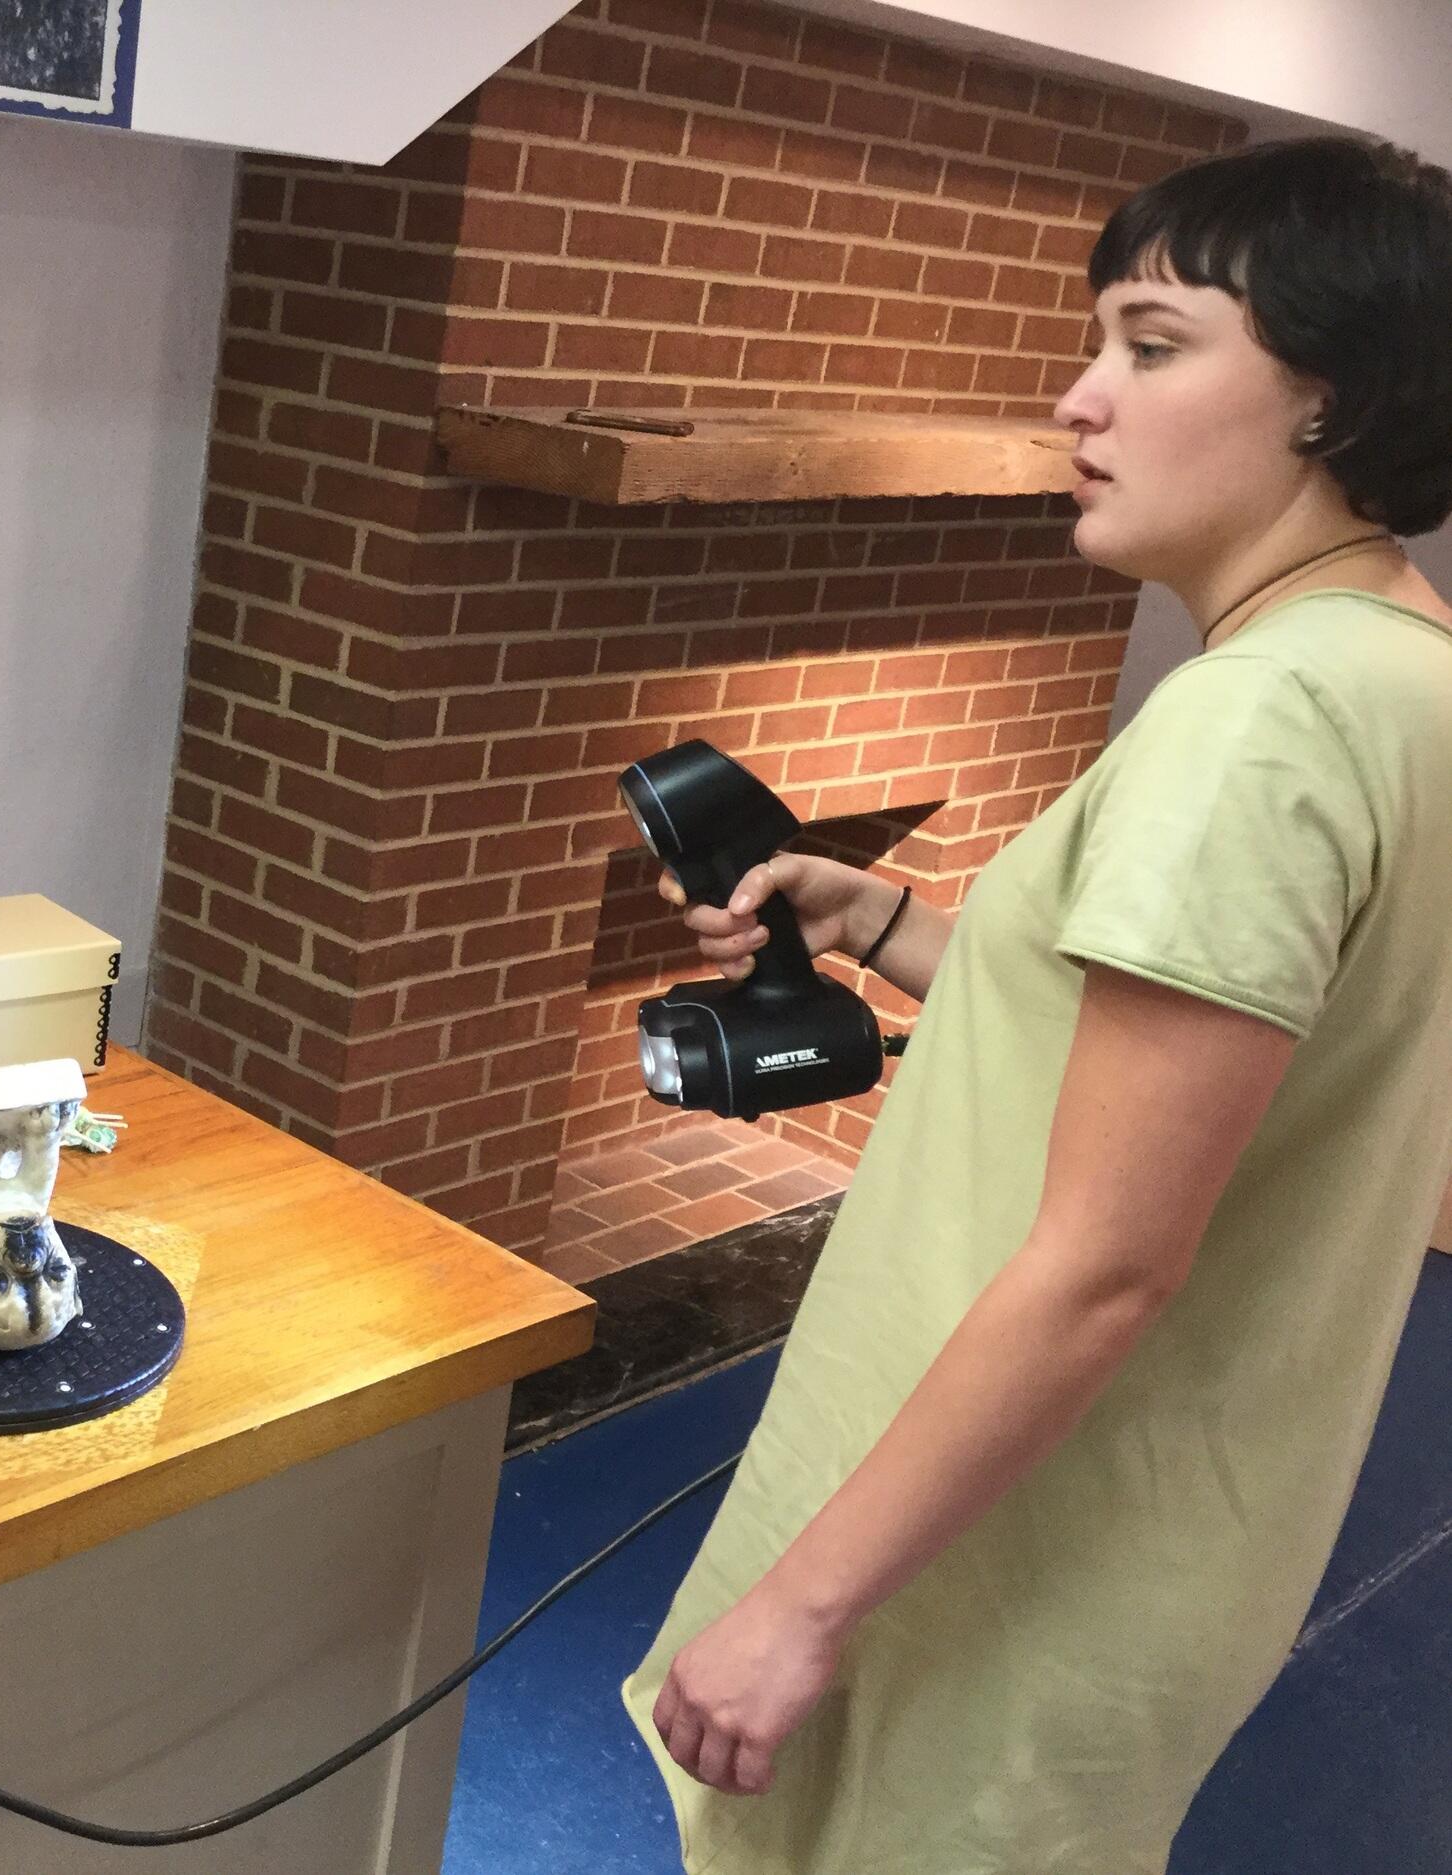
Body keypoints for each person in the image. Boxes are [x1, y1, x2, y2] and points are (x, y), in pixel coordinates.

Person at [618, 135, 1452, 1871]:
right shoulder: (1401, 667)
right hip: (1162, 1529)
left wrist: (802, 1609)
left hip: (1011, 1555)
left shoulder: (1258, 726)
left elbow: (1105, 1264)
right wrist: (885, 920)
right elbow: (1207, 1064)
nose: (1079, 401)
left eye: (1152, 347)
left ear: (1336, 393)